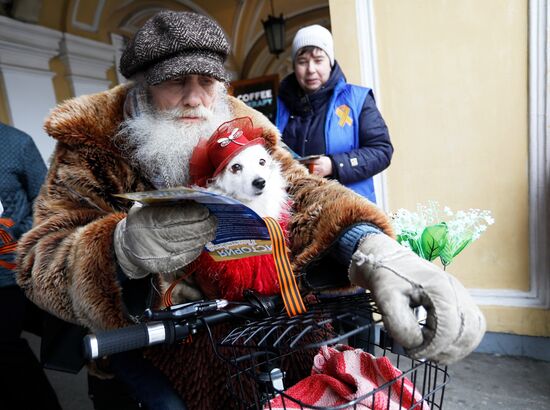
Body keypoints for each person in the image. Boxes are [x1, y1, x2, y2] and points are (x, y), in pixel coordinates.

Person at [16, 10, 485, 410]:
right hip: (151, 341)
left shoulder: (239, 119)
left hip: (258, 330)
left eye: (207, 82)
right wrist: (120, 248)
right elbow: (40, 260)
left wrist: (371, 248)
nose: (196, 98)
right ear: (141, 86)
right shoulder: (91, 143)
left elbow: (300, 193)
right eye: (177, 82)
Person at [277, 25, 392, 204]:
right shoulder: (280, 105)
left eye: (318, 60)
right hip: (298, 212)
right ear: (294, 65)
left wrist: (334, 165)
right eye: (302, 61)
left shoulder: (358, 99)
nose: (311, 69)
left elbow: (381, 151)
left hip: (350, 209)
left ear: (330, 62)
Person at [0, 123, 61, 409]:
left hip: (10, 271)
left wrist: (14, 233)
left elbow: (46, 201)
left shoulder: (16, 143)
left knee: (5, 347)